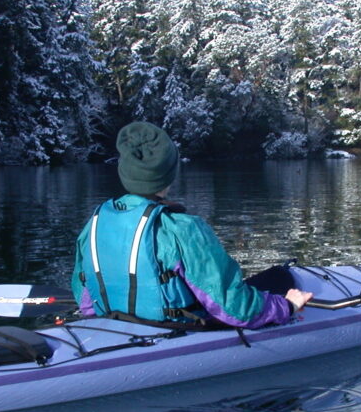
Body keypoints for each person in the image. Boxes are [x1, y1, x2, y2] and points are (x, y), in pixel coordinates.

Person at [71, 121, 312, 328]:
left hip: (115, 325)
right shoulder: (183, 228)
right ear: (169, 175)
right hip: (178, 328)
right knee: (281, 278)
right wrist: (287, 306)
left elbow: (86, 301)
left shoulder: (93, 225)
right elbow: (236, 309)